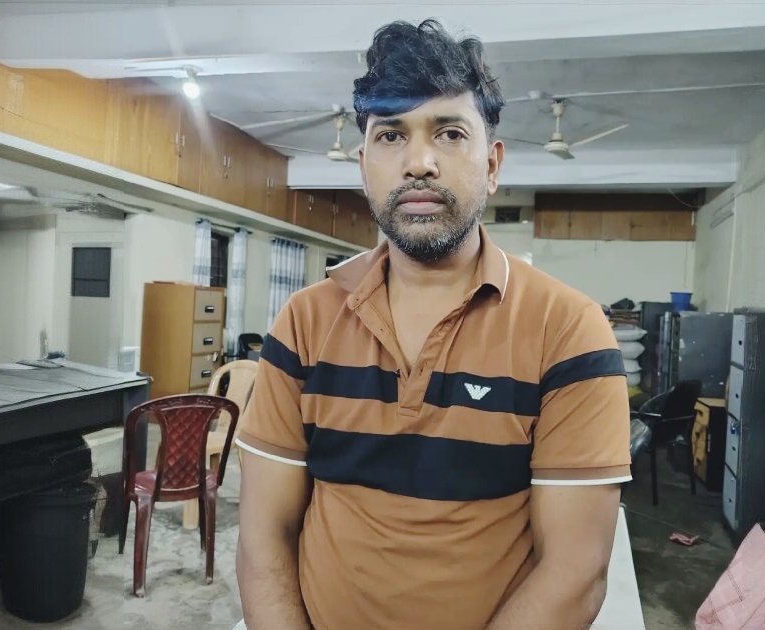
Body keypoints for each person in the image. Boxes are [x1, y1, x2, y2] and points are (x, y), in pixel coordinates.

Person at [235, 18, 632, 630]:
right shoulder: (305, 323)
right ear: (364, 165)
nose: (418, 163)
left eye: (449, 133)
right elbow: (264, 537)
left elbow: (575, 573)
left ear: (492, 164)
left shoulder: (568, 331)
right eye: (391, 136)